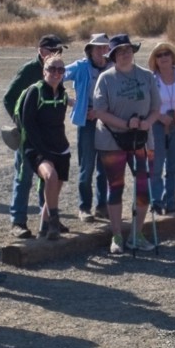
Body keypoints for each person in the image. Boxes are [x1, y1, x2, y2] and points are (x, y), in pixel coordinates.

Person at [92, 36, 159, 253]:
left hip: (142, 140)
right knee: (116, 186)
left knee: (143, 188)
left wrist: (147, 123)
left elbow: (156, 108)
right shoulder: (105, 79)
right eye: (119, 51)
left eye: (128, 49)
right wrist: (125, 124)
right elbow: (100, 111)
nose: (125, 53)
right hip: (112, 141)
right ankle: (117, 236)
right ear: (112, 55)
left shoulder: (147, 76)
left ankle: (137, 234)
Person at [3, 35, 65, 237]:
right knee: (24, 176)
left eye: (60, 50)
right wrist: (20, 123)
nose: (57, 54)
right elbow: (9, 97)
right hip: (27, 137)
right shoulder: (30, 70)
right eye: (53, 49)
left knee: (47, 178)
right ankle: (17, 221)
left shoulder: (56, 73)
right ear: (41, 50)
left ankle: (46, 219)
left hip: (48, 138)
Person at [14, 52, 73, 241]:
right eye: (52, 69)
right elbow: (28, 123)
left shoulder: (62, 94)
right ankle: (54, 222)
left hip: (60, 148)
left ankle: (44, 227)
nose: (56, 73)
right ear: (44, 71)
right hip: (37, 148)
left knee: (55, 187)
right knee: (51, 177)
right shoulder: (35, 91)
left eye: (60, 70)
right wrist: (42, 151)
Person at [64, 32, 113, 221]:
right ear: (90, 50)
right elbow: (55, 77)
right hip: (87, 122)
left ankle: (102, 206)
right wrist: (72, 102)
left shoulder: (112, 66)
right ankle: (84, 207)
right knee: (87, 166)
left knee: (106, 167)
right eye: (97, 47)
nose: (101, 51)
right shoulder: (81, 66)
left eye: (104, 47)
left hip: (107, 121)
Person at [147, 42, 175, 217]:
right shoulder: (151, 78)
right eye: (159, 55)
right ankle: (155, 202)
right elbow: (146, 103)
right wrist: (159, 116)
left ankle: (170, 202)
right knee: (156, 165)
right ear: (155, 60)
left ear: (172, 57)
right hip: (157, 123)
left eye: (166, 54)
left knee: (174, 165)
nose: (163, 57)